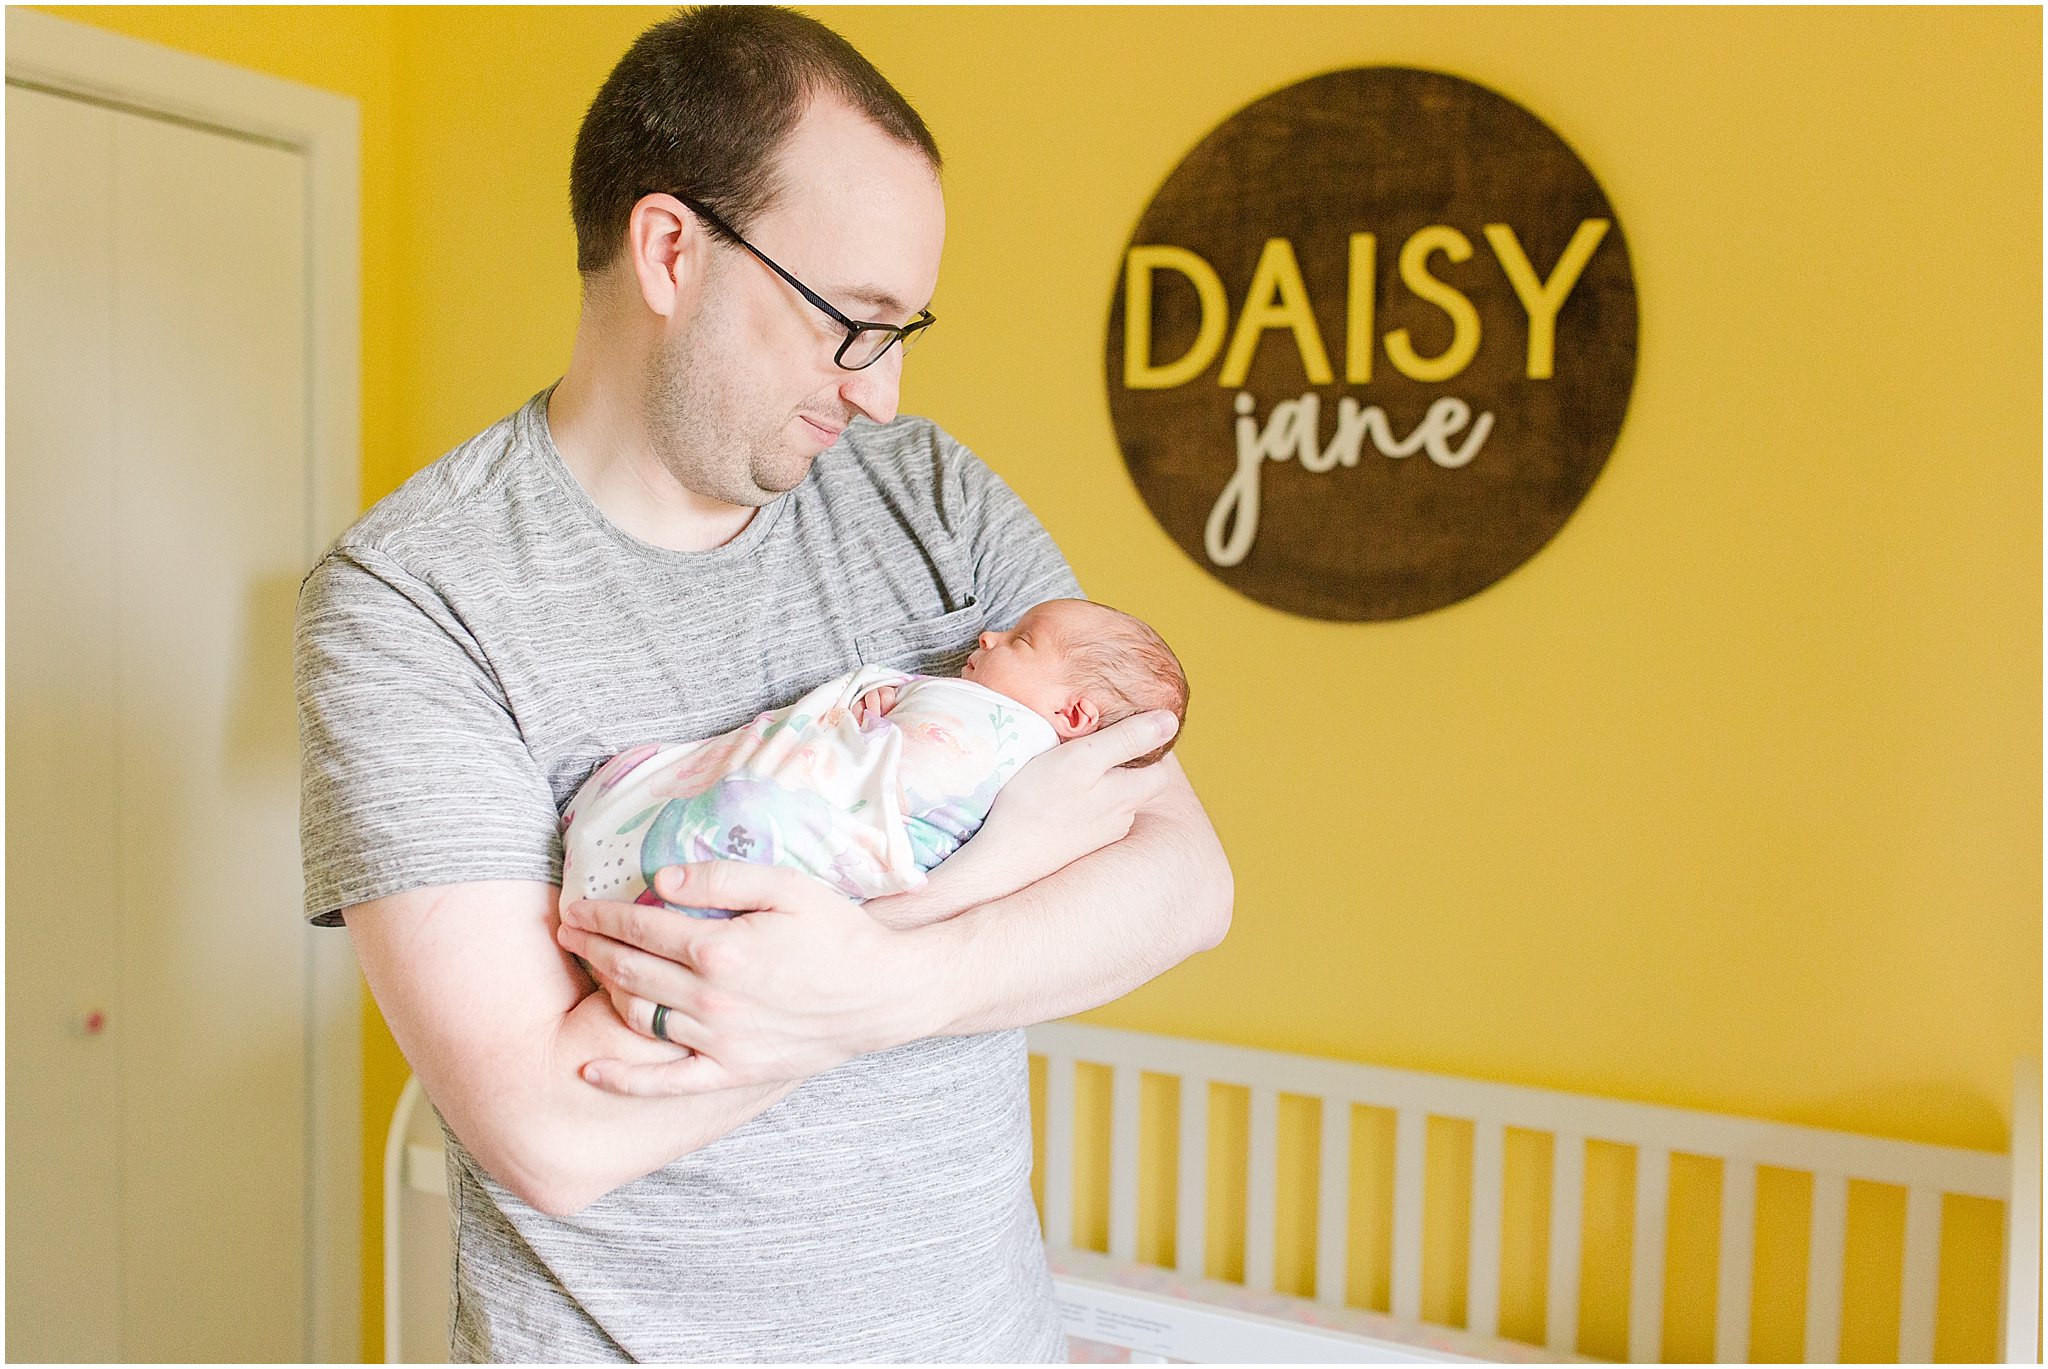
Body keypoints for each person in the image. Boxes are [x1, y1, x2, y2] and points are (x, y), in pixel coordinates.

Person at [295, 6, 1231, 1362]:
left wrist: (882, 981)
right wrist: (951, 929)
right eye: (853, 322)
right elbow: (549, 1131)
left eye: (907, 327)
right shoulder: (412, 600)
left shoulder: (939, 501)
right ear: (671, 248)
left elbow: (1184, 878)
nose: (886, 394)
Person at [560, 597, 1190, 929]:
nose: (987, 638)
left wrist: (875, 726)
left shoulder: (1034, 759)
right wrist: (879, 711)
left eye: (1020, 641)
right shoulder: (970, 706)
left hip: (849, 835)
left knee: (751, 813)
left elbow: (920, 789)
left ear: (1075, 717)